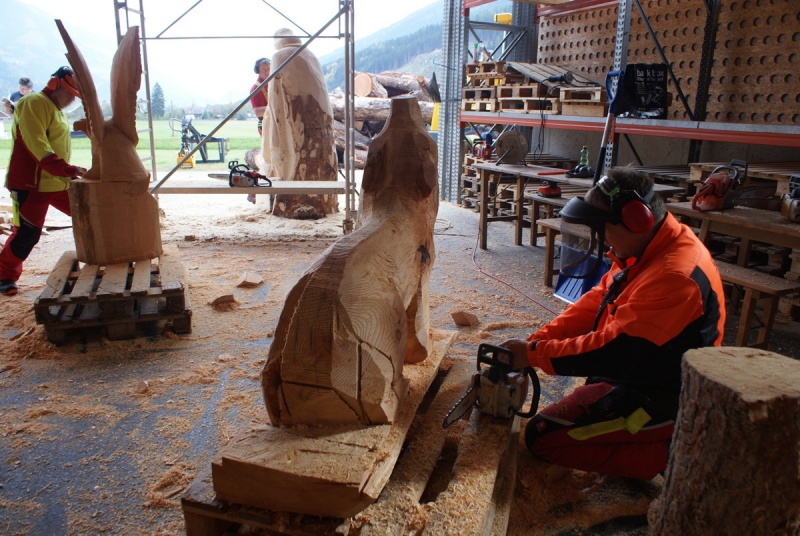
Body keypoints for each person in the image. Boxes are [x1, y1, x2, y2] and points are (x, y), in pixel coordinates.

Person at [500, 167, 726, 480]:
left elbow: (614, 350)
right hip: (640, 369)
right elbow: (596, 302)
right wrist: (536, 342)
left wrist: (533, 355)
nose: (601, 238)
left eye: (603, 227)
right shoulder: (649, 248)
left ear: (637, 219)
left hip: (663, 395)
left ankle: (672, 453)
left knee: (543, 438)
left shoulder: (674, 277)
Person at [0, 67, 87, 296]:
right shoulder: (34, 102)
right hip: (31, 183)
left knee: (88, 213)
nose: (71, 100)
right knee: (27, 233)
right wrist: (67, 169)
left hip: (56, 181)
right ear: (54, 85)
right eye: (69, 94)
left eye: (75, 97)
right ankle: (5, 275)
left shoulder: (56, 110)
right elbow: (37, 145)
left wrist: (66, 172)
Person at [250, 58, 270, 136]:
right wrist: (275, 108)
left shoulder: (272, 84)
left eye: (268, 69)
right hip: (266, 125)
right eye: (264, 69)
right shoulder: (255, 88)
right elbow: (257, 112)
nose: (267, 72)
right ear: (258, 70)